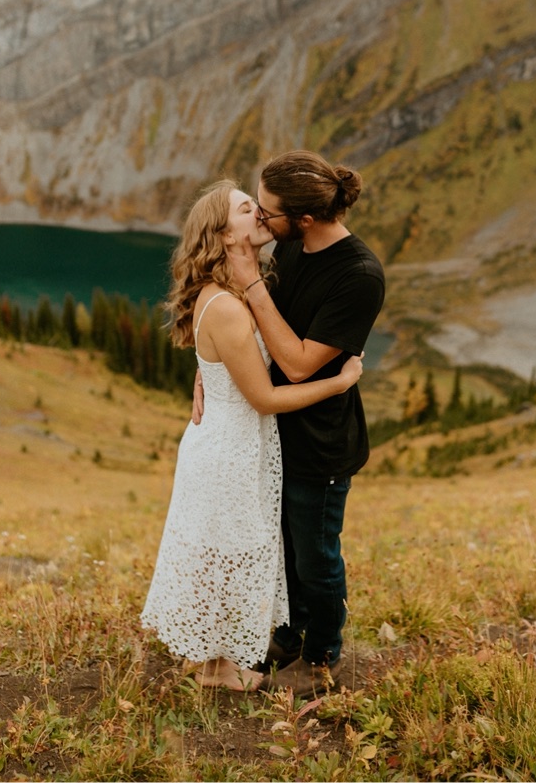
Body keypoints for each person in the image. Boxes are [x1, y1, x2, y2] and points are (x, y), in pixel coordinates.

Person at [142, 181, 363, 691]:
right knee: (227, 553)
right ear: (224, 235)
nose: (260, 212)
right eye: (247, 208)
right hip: (230, 449)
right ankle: (217, 670)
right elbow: (262, 397)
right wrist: (339, 381)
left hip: (236, 442)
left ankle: (213, 661)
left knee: (227, 550)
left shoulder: (235, 292)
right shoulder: (226, 306)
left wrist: (208, 370)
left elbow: (231, 362)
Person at [221, 149, 386, 695]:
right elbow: (253, 330)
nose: (260, 222)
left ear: (306, 219)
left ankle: (322, 657)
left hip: (321, 443)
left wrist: (251, 284)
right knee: (284, 549)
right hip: (275, 430)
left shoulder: (359, 276)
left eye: (267, 214)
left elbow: (295, 363)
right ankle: (289, 636)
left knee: (315, 554)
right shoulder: (292, 248)